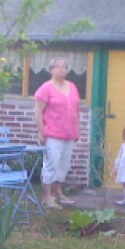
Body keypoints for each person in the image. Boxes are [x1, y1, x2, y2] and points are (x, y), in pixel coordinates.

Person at [34, 58, 81, 209]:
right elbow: (38, 112)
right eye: (57, 67)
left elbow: (75, 110)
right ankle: (47, 197)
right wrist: (41, 132)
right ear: (51, 70)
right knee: (51, 164)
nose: (61, 69)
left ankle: (58, 193)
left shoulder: (73, 86)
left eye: (64, 67)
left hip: (69, 134)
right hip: (53, 133)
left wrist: (77, 129)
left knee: (64, 165)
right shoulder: (46, 88)